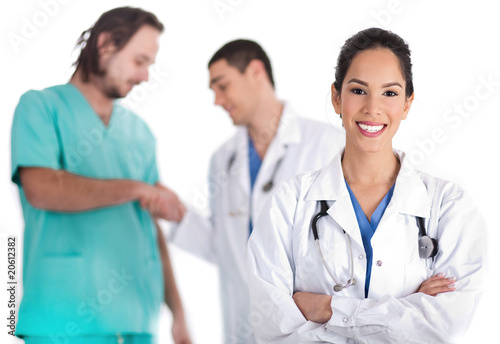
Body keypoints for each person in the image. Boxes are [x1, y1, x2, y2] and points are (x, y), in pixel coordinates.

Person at [247, 28, 487, 343]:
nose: (373, 108)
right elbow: (271, 324)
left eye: (389, 93)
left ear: (407, 103)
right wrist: (405, 308)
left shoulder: (449, 205)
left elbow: (444, 324)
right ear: (336, 97)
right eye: (358, 90)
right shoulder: (291, 202)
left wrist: (328, 309)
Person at [11, 7, 190, 344]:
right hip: (64, 320)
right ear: (106, 45)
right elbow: (42, 189)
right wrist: (136, 188)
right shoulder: (40, 108)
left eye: (150, 65)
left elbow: (150, 229)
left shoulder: (139, 133)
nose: (145, 77)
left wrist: (178, 314)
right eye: (140, 61)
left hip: (138, 320)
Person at [167, 39, 345, 343]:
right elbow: (230, 250)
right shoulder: (223, 160)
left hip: (311, 329)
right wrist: (178, 215)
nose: (216, 100)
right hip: (243, 327)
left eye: (222, 86)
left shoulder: (327, 144)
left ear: (255, 71)